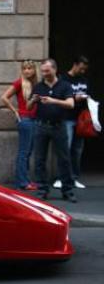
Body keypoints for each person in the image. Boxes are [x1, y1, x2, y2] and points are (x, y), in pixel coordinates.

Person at [28, 59, 76, 202]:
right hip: (41, 126)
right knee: (39, 160)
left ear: (55, 69)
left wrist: (53, 100)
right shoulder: (38, 86)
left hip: (59, 126)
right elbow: (29, 107)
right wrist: (33, 100)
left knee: (64, 160)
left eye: (47, 71)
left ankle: (67, 191)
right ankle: (42, 189)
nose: (44, 74)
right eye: (42, 71)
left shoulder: (65, 85)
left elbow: (71, 104)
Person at [1, 60, 39, 191]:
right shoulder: (19, 83)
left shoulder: (36, 84)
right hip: (25, 120)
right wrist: (15, 111)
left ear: (34, 70)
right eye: (24, 68)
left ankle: (25, 180)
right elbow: (4, 97)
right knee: (24, 152)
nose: (27, 71)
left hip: (34, 120)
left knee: (28, 152)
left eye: (30, 68)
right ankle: (22, 182)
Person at [55, 55, 90, 190]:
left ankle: (74, 178)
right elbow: (59, 96)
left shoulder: (84, 80)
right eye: (81, 68)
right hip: (66, 117)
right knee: (65, 148)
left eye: (84, 69)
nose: (83, 71)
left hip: (80, 118)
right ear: (75, 65)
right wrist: (74, 98)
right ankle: (60, 177)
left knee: (77, 150)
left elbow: (88, 93)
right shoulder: (63, 79)